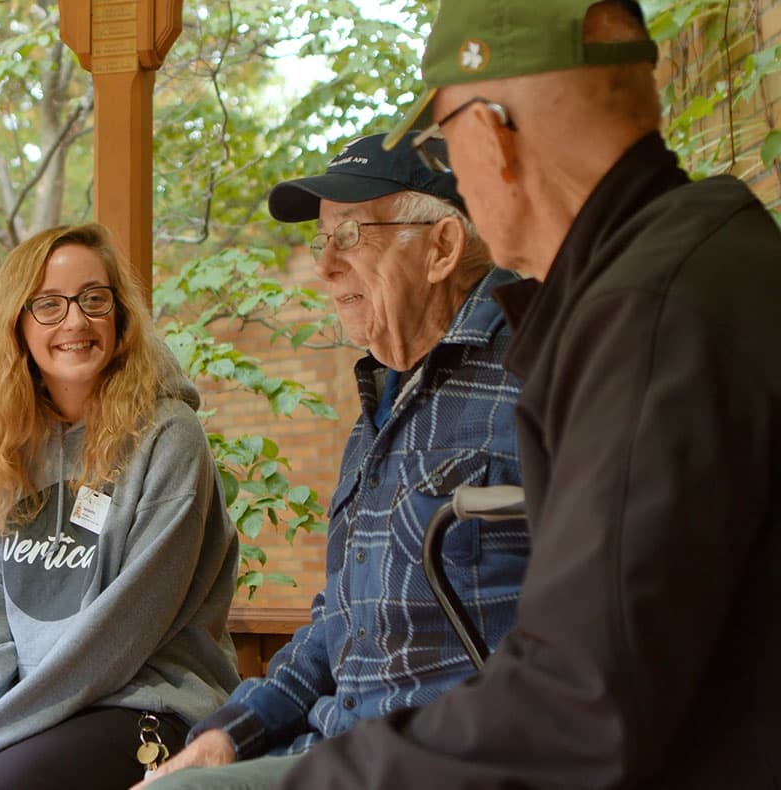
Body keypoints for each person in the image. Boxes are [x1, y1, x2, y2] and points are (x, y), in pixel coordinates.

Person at [277, 1, 781, 788]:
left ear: (490, 136)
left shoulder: (650, 316)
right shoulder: (685, 274)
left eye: (448, 139)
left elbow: (580, 702)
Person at [132, 132, 529, 790]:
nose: (323, 268)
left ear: (442, 247)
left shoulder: (545, 375)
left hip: (446, 761)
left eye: (348, 236)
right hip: (336, 748)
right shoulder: (385, 398)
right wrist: (232, 733)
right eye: (322, 241)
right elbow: (339, 625)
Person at [0, 223, 241, 790]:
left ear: (120, 315)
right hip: (20, 702)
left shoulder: (168, 438)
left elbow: (120, 634)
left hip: (142, 702)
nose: (76, 321)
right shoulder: (4, 446)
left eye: (94, 299)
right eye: (49, 304)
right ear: (18, 324)